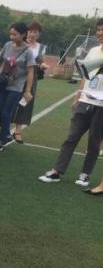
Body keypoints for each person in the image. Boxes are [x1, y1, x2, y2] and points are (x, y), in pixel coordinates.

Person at [39, 18, 103, 187]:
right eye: (98, 29)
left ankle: (85, 174)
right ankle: (57, 171)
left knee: (94, 143)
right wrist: (77, 97)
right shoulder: (93, 51)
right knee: (71, 138)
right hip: (85, 101)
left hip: (101, 107)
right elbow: (85, 76)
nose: (99, 33)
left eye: (102, 30)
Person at [0, 22, 35, 151]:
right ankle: (7, 134)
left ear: (23, 35)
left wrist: (28, 91)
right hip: (3, 83)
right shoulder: (7, 45)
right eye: (11, 34)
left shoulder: (28, 51)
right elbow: (0, 60)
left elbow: (30, 72)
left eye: (15, 34)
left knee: (6, 113)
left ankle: (0, 140)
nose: (12, 37)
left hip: (16, 87)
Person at [12, 21, 48, 143]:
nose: (32, 34)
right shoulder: (20, 44)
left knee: (24, 103)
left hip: (31, 80)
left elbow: (41, 61)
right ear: (26, 32)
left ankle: (17, 131)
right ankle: (5, 128)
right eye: (30, 31)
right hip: (17, 78)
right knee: (11, 101)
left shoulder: (41, 47)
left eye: (35, 32)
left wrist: (43, 66)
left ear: (39, 34)